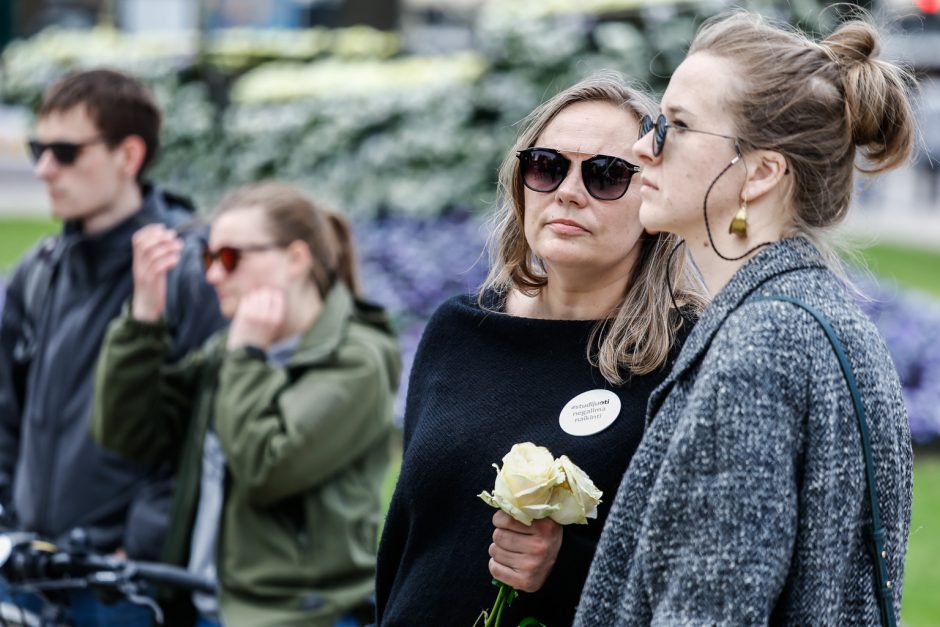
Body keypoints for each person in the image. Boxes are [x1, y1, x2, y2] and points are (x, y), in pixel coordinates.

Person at [574, 11, 915, 625]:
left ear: (759, 172)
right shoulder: (828, 320)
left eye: (675, 127)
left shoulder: (760, 345)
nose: (640, 147)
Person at [375, 73, 705, 626]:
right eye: (547, 166)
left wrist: (565, 563)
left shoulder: (683, 359)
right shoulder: (459, 330)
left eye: (605, 175)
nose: (568, 191)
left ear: (653, 196)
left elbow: (693, 577)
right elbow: (407, 540)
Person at [92, 181, 401, 627]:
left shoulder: (356, 360)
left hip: (298, 617)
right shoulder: (231, 351)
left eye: (230, 258)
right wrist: (143, 319)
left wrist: (246, 357)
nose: (213, 274)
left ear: (295, 259)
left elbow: (266, 468)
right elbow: (128, 432)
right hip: (204, 605)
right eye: (208, 258)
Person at [0, 69, 224, 625]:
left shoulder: (188, 270)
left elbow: (202, 432)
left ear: (129, 155)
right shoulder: (39, 270)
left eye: (65, 151)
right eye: (37, 148)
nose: (43, 168)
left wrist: (139, 547)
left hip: (123, 584)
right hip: (27, 571)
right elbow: (5, 413)